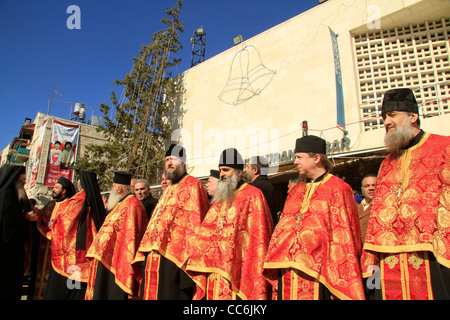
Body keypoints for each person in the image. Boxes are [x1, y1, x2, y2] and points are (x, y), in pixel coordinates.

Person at [361, 88, 450, 300]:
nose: (386, 122)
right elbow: (376, 217)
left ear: (413, 116)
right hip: (389, 261)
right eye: (384, 117)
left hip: (433, 258)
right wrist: (371, 262)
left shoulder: (443, 147)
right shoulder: (387, 163)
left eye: (392, 115)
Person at [264, 135, 365, 300]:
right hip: (287, 273)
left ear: (316, 158)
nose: (295, 162)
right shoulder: (296, 191)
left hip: (319, 276)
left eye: (299, 157)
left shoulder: (338, 189)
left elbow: (345, 237)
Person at [186, 148, 274, 300]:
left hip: (238, 274)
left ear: (239, 172)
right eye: (220, 170)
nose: (221, 174)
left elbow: (258, 239)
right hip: (213, 273)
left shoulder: (252, 195)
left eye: (226, 170)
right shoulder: (220, 199)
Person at [133, 144, 209, 300]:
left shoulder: (193, 185)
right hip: (155, 256)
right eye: (167, 160)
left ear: (182, 162)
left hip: (175, 261)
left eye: (173, 159)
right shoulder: (168, 188)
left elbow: (195, 225)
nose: (169, 163)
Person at [85, 171, 148, 299]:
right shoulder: (120, 204)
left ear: (119, 188)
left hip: (119, 261)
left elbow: (130, 236)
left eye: (112, 187)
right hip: (108, 259)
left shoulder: (132, 204)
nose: (111, 190)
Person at [43, 171, 105, 300]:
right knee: (78, 290)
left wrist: (50, 230)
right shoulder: (96, 199)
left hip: (72, 256)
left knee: (65, 290)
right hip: (88, 255)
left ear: (80, 184)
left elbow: (64, 223)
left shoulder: (77, 200)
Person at [34, 176, 76, 299]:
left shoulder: (69, 206)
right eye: (54, 187)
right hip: (44, 246)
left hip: (59, 249)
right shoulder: (49, 205)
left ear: (64, 191)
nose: (53, 189)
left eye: (57, 188)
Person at [0, 165, 29, 299]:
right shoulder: (7, 193)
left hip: (14, 245)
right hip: (7, 246)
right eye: (23, 179)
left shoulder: (17, 193)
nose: (24, 182)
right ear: (15, 179)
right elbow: (7, 218)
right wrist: (25, 216)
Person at [243, 155, 276, 224]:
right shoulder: (268, 185)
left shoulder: (254, 188)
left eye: (248, 167)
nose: (245, 169)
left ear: (255, 170)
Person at [357, 174, 377, 244]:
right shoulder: (354, 209)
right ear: (362, 190)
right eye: (367, 186)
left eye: (374, 185)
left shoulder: (385, 208)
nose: (371, 188)